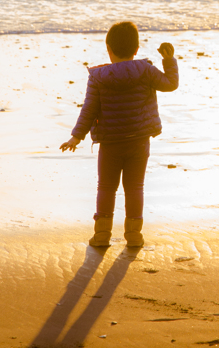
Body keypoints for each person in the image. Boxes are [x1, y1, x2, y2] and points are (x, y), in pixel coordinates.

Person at [60, 21, 179, 248]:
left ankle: (102, 234)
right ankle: (134, 235)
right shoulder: (146, 70)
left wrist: (76, 136)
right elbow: (170, 84)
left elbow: (89, 109)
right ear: (136, 49)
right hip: (139, 141)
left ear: (109, 49)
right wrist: (169, 60)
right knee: (135, 187)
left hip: (110, 143)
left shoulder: (99, 76)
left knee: (106, 187)